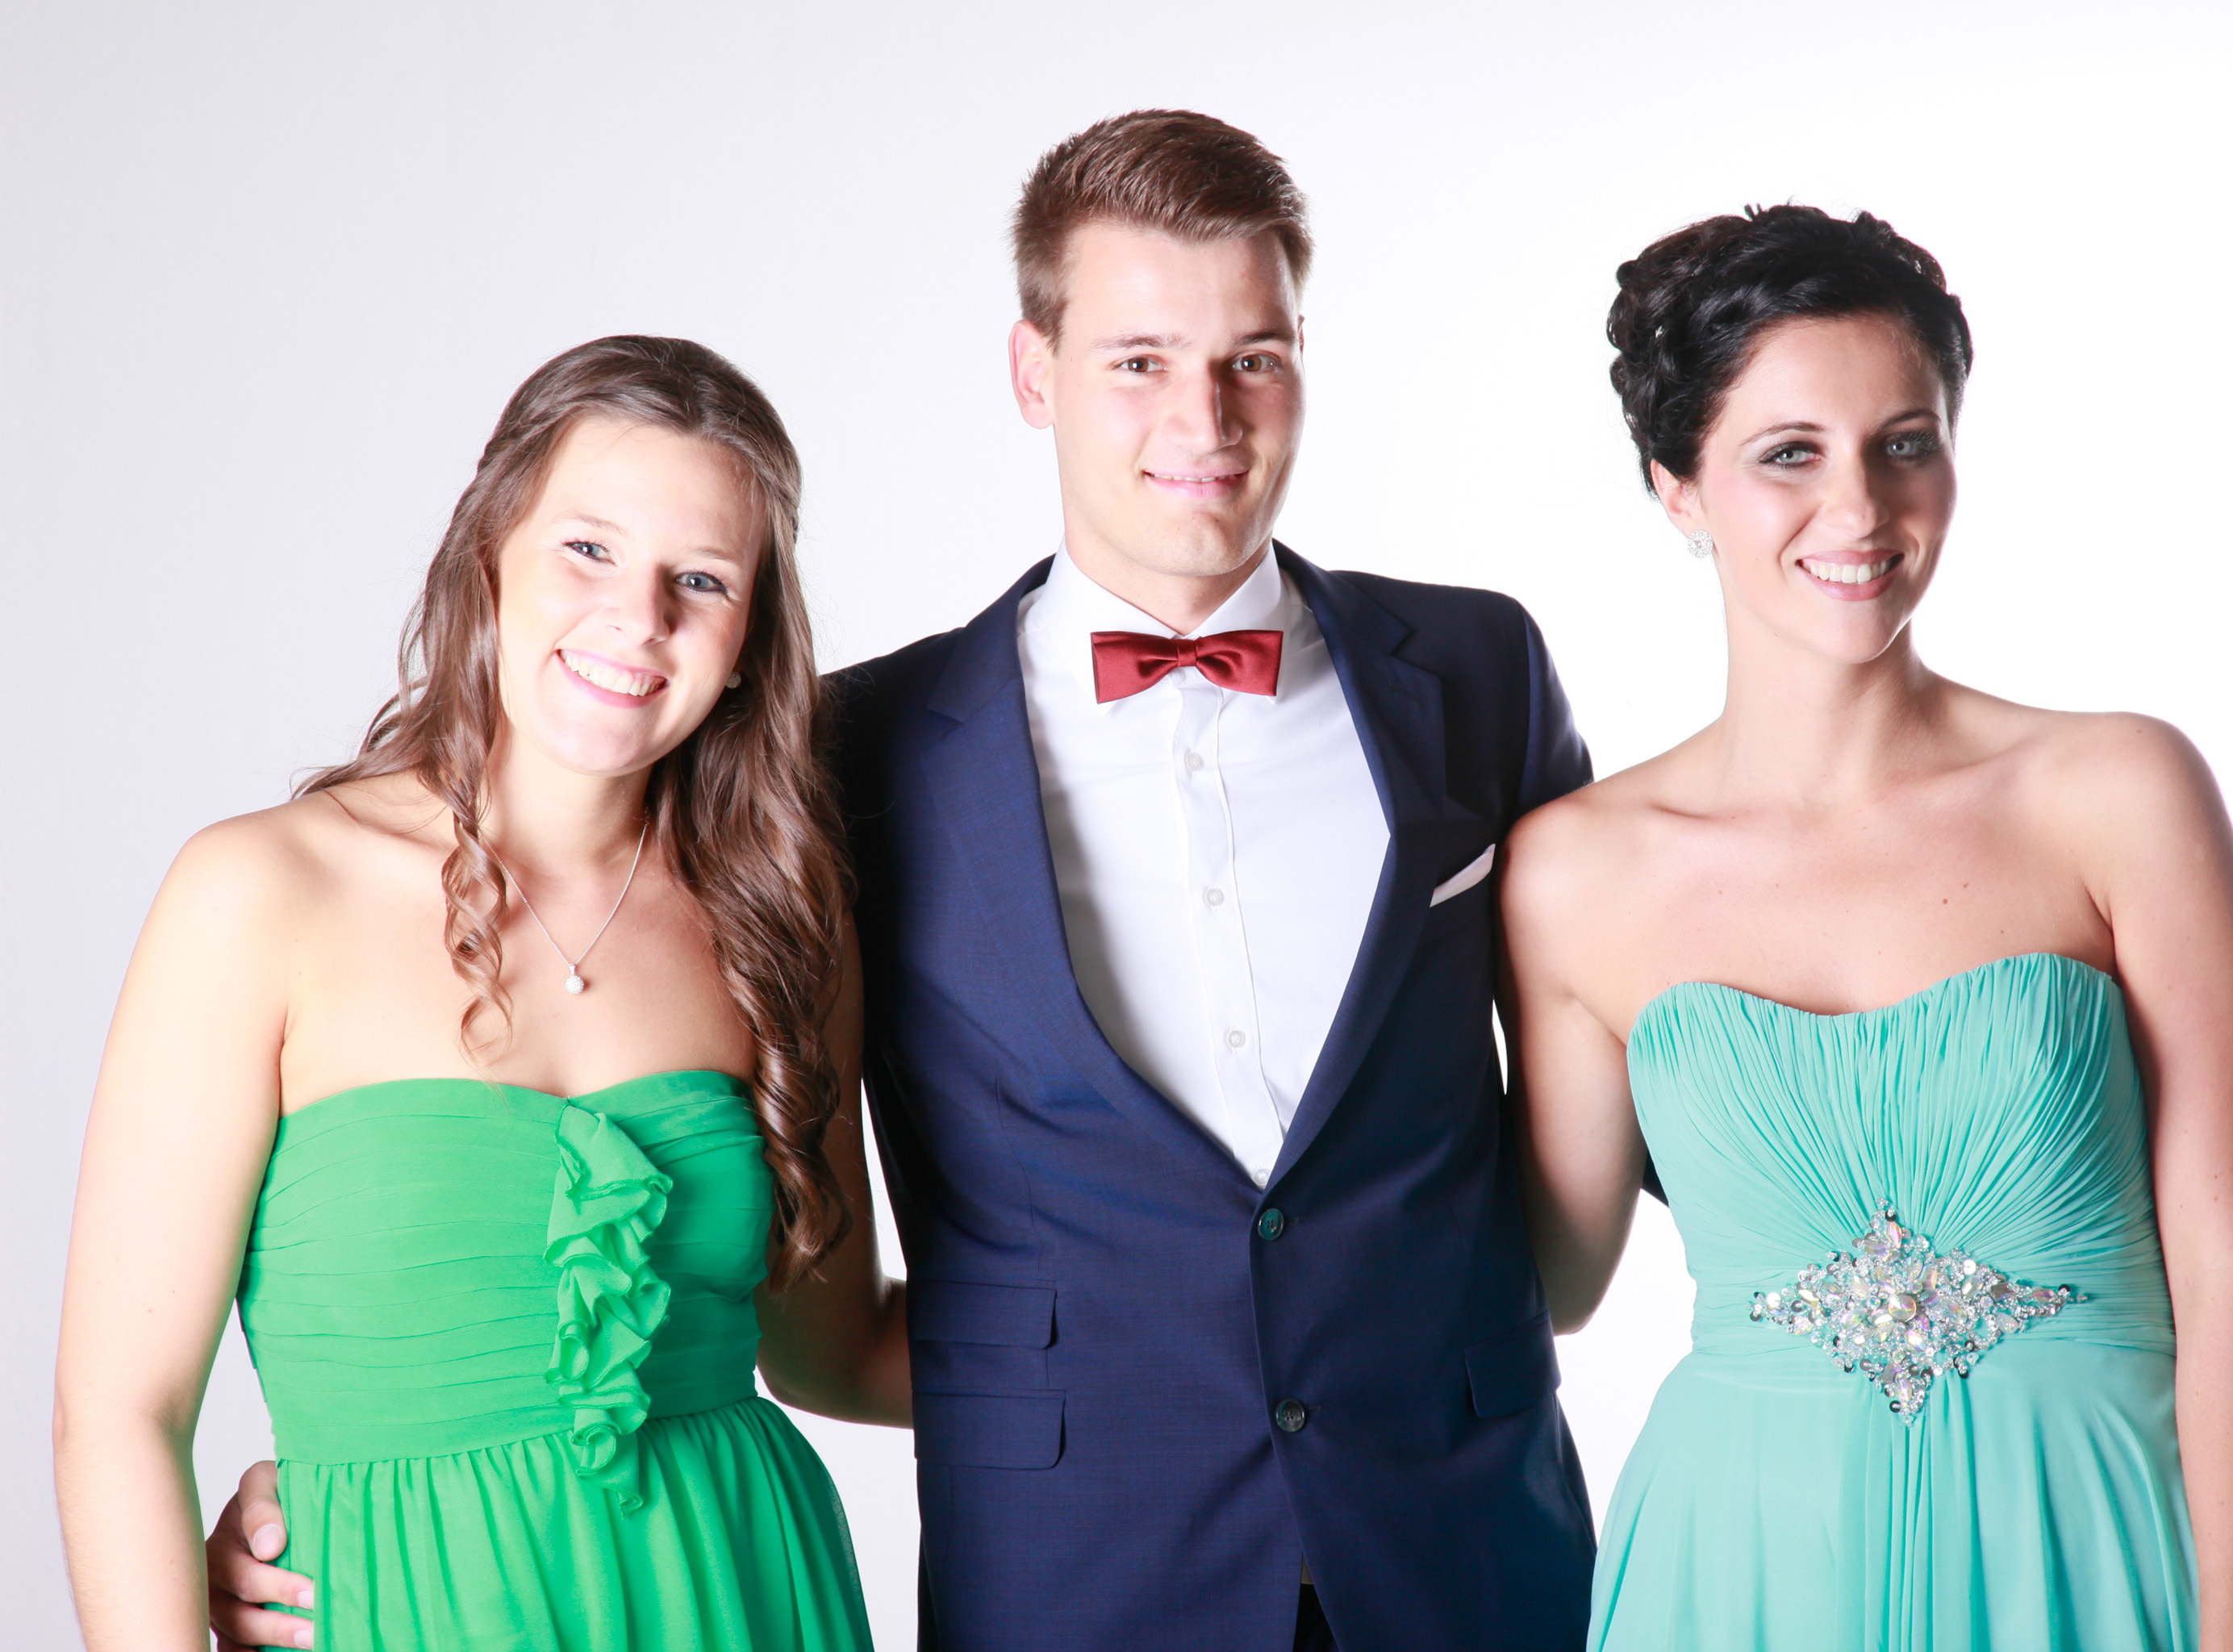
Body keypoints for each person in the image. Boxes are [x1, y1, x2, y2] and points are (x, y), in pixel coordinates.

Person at [200, 112, 1601, 1651]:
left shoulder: (1477, 671)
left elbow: (1625, 1062)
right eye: (1138, 359)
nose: (1201, 416)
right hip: (1069, 1579)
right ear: (1033, 372)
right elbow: (735, 1266)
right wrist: (356, 1477)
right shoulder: (850, 757)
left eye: (1250, 358)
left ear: (1303, 360)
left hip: (1467, 1552)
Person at [1500, 206, 2233, 1650]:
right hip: (1738, 1568)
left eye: (1904, 442)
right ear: (1677, 488)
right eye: (1787, 454)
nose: (1861, 509)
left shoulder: (2116, 792)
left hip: (2082, 1547)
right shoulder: (1576, 874)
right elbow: (1545, 1288)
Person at [57, 336, 908, 1652]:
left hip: (738, 1594)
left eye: (701, 578)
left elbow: (830, 1351)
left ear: (751, 640)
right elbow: (121, 1416)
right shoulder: (259, 893)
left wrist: (1204, 1340)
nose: (639, 618)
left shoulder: (782, 920)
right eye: (589, 549)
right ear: (488, 556)